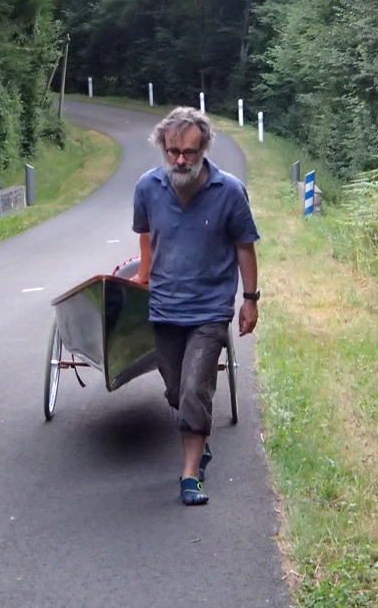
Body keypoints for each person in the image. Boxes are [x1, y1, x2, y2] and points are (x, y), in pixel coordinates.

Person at [130, 106, 260, 505]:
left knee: (193, 388)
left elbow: (244, 247)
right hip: (165, 308)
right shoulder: (147, 187)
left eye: (189, 151)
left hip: (210, 309)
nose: (180, 160)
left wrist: (250, 300)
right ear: (163, 148)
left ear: (204, 148)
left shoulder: (230, 191)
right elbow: (147, 236)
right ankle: (198, 438)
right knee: (175, 390)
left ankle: (189, 475)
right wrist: (144, 277)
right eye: (173, 152)